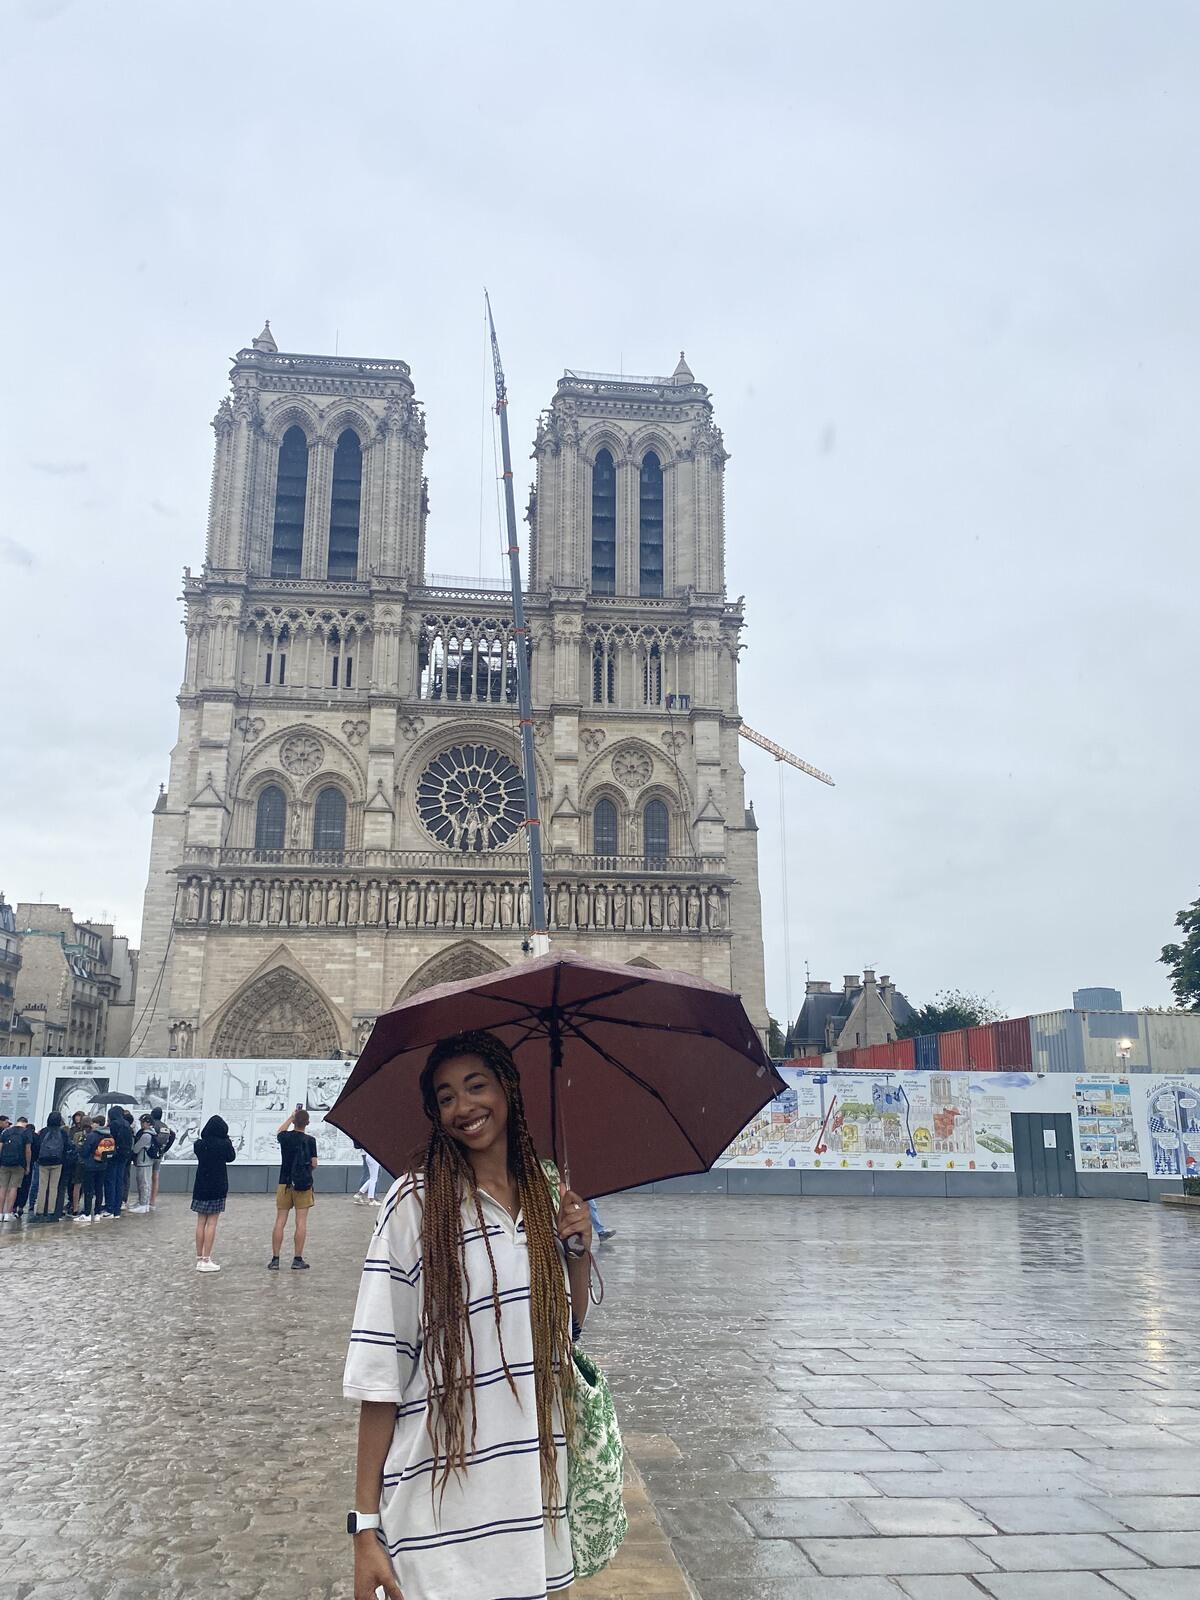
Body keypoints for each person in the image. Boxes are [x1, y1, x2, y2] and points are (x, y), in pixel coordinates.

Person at [343, 1029, 593, 1600]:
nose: (464, 1107)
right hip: (436, 1509)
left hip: (531, 1503)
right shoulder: (415, 1204)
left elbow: (562, 1333)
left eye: (476, 1086)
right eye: (446, 1096)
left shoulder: (547, 1194)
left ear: (509, 1090)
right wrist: (363, 1529)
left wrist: (576, 1253)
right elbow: (379, 1373)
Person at [270, 1108, 317, 1271]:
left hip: (284, 1183)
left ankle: (275, 1260)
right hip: (303, 1185)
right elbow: (314, 1164)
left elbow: (280, 1130)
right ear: (307, 1123)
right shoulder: (310, 1140)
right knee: (301, 1222)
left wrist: (290, 1117)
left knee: (280, 1221)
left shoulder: (285, 1138)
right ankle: (297, 1259)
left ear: (294, 1122)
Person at [191, 1115, 236, 1272]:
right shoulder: (223, 1144)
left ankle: (198, 1258)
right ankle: (206, 1258)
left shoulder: (199, 1145)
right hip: (217, 1185)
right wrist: (228, 1140)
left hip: (201, 1185)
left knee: (200, 1222)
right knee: (212, 1223)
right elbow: (231, 1157)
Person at [74, 1117, 114, 1224]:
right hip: (103, 1166)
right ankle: (97, 1213)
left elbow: (85, 1151)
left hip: (90, 1166)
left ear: (97, 1124)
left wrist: (81, 1151)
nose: (92, 1125)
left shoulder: (92, 1135)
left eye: (94, 1123)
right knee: (99, 1189)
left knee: (88, 1190)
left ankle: (87, 1213)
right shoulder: (108, 1135)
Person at [33, 1111, 69, 1220]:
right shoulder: (62, 1133)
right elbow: (66, 1147)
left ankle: (39, 1212)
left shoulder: (44, 1131)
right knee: (53, 1187)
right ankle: (51, 1212)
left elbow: (37, 1146)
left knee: (42, 1187)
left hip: (43, 1162)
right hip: (57, 1162)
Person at [104, 1106, 133, 1219]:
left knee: (110, 1181)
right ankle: (117, 1210)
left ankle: (109, 1208)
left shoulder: (114, 1125)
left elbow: (109, 1140)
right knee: (120, 1181)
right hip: (124, 1156)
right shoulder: (127, 1124)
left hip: (113, 1156)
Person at [0, 1114, 30, 1221]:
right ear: (25, 1124)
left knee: (2, 1188)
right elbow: (28, 1151)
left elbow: (0, 1147)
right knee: (13, 1188)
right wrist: (27, 1165)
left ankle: (0, 1213)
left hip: (4, 1163)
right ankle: (8, 1213)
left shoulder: (6, 1132)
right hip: (18, 1164)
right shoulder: (26, 1133)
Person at [128, 1116, 155, 1213]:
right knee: (143, 1182)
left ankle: (144, 1204)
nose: (142, 1124)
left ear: (148, 1123)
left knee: (144, 1183)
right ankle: (142, 1202)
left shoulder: (146, 1135)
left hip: (144, 1161)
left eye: (143, 1122)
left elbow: (136, 1148)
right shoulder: (149, 1133)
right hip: (145, 1161)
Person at [148, 1106, 175, 1207]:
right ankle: (152, 1201)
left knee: (147, 1178)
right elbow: (173, 1135)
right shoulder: (165, 1126)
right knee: (155, 1177)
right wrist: (165, 1149)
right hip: (160, 1155)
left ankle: (145, 1199)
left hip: (150, 1155)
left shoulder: (153, 1125)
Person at [67, 1110, 90, 1215]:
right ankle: (79, 1206)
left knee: (77, 1185)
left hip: (79, 1161)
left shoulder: (77, 1134)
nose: (77, 1118)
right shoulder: (74, 1131)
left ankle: (75, 1207)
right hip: (84, 1162)